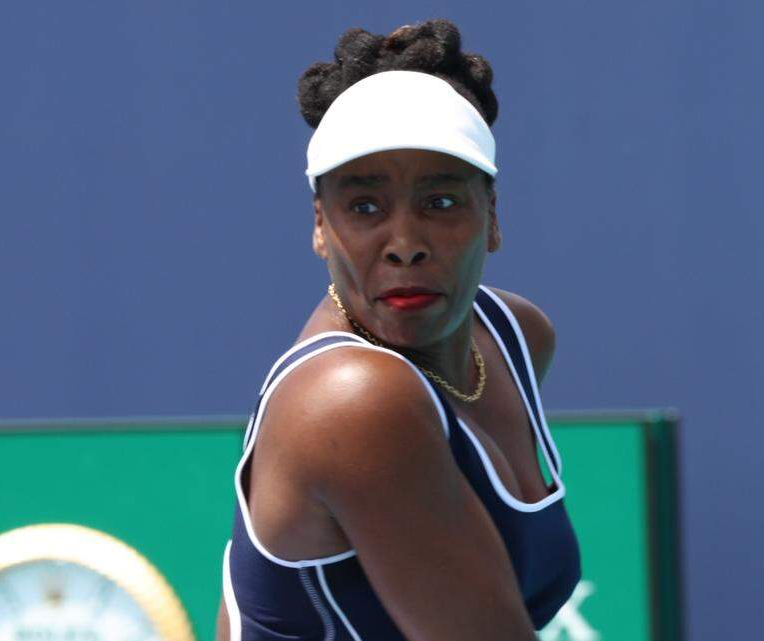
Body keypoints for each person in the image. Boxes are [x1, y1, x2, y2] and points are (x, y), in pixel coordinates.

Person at [216, 20, 581, 641]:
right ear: (320, 226)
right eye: (365, 207)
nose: (405, 244)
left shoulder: (516, 336)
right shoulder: (352, 401)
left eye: (440, 202)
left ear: (491, 216)